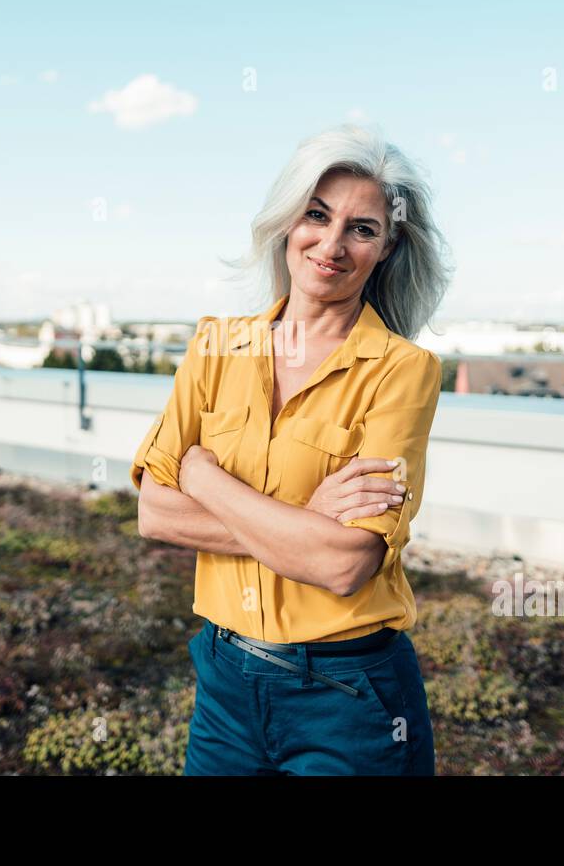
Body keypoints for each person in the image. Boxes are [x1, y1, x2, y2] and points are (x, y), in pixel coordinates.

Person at [131, 122, 453, 775]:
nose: (331, 244)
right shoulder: (216, 344)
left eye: (362, 228)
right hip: (225, 684)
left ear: (386, 247)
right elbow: (154, 514)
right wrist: (304, 518)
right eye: (317, 214)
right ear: (286, 221)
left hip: (349, 696)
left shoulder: (401, 370)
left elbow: (343, 565)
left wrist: (202, 474)